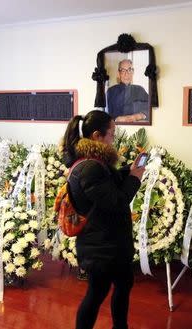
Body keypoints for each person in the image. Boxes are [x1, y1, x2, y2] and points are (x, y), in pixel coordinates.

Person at [61, 110, 145, 329]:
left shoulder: (94, 162)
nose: (113, 139)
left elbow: (110, 183)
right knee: (96, 295)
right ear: (98, 136)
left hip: (110, 244)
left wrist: (129, 170)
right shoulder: (90, 167)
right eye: (112, 134)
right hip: (101, 248)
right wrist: (135, 179)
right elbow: (116, 201)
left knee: (123, 285)